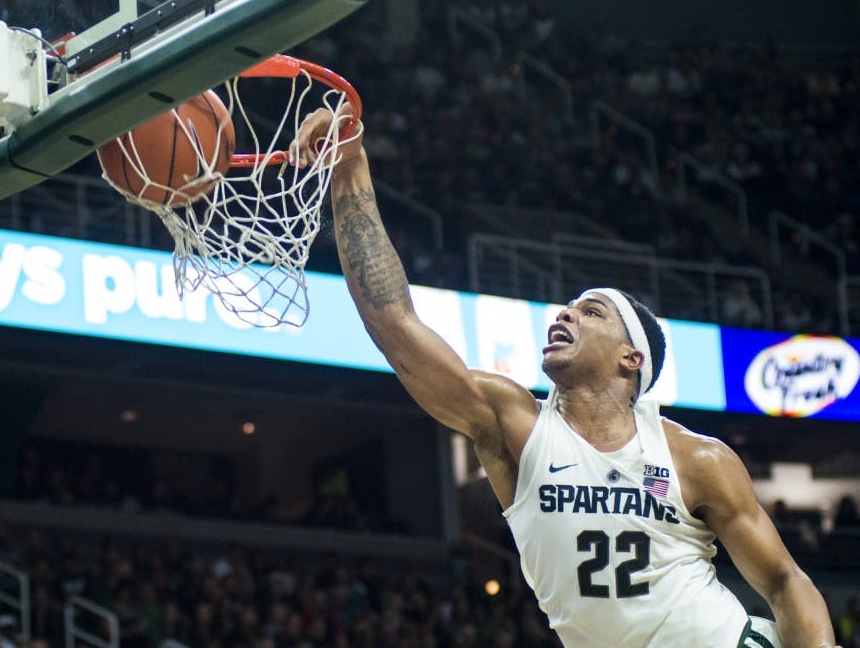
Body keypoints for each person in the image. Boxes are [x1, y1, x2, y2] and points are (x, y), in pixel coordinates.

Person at [288, 105, 839, 648]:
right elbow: (396, 326)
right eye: (569, 307)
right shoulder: (513, 421)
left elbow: (786, 581)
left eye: (590, 311)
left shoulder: (698, 458)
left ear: (632, 359)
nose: (565, 314)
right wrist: (351, 166)